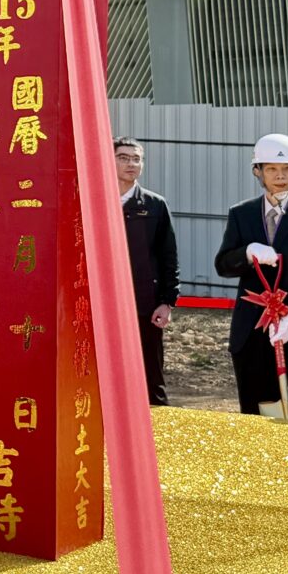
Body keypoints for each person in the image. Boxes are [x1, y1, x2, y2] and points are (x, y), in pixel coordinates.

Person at [214, 133, 288, 415]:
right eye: (271, 168)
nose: (280, 176)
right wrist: (246, 252)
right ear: (257, 171)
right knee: (254, 412)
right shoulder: (242, 214)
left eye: (287, 169)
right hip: (251, 333)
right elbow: (223, 265)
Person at [115, 138, 180, 406]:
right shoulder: (91, 199)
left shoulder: (155, 205)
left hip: (144, 303)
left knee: (150, 372)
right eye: (123, 157)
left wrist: (167, 302)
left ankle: (156, 434)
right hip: (100, 303)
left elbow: (169, 257)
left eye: (136, 158)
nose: (131, 164)